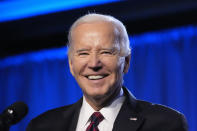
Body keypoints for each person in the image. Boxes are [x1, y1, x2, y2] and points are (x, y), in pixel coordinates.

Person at [26, 13, 188, 131]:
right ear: (71, 64)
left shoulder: (165, 124)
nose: (94, 63)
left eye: (106, 52)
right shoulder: (42, 126)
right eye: (83, 53)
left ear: (126, 62)